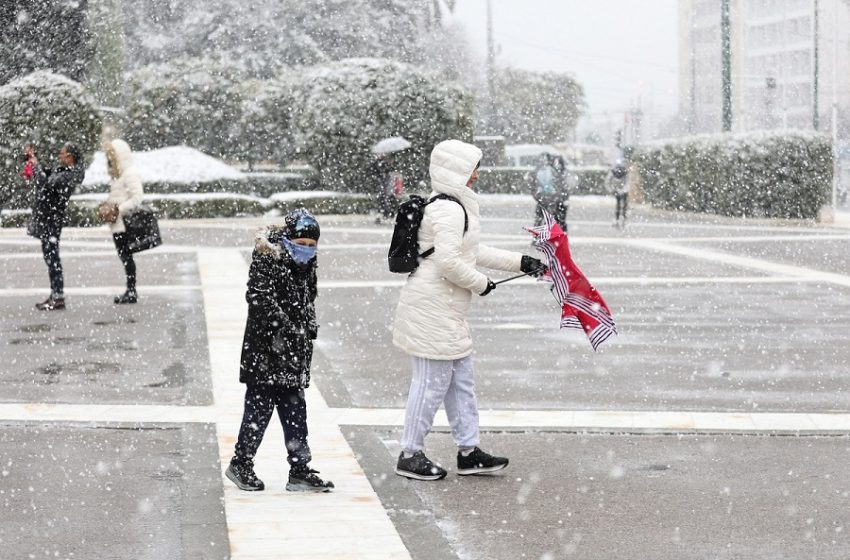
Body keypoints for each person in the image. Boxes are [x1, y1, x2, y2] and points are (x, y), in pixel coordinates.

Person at [392, 139, 546, 481]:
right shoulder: (448, 209)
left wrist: (520, 262)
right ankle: (410, 453)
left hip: (446, 308)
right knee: (430, 383)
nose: (476, 175)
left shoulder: (453, 205)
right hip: (431, 308)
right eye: (471, 168)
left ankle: (469, 451)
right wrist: (481, 283)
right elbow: (448, 262)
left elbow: (471, 251)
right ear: (456, 170)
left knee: (460, 381)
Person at [226, 208, 334, 493]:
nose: (306, 250)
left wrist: (308, 327)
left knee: (295, 409)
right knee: (258, 410)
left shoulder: (308, 266)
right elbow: (258, 298)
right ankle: (241, 463)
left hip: (294, 352)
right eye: (301, 244)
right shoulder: (267, 258)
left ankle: (299, 469)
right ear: (288, 239)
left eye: (312, 246)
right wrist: (286, 327)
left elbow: (309, 299)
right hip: (264, 349)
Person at [29, 143, 85, 311]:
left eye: (63, 154)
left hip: (52, 220)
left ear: (70, 157)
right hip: (50, 218)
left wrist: (37, 167)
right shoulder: (68, 172)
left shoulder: (70, 174)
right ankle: (55, 294)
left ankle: (58, 296)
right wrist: (38, 165)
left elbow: (45, 185)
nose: (60, 156)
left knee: (52, 257)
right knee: (50, 256)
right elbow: (49, 177)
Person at [98, 139, 144, 304]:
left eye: (112, 156)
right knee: (124, 256)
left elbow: (138, 197)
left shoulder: (130, 173)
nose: (109, 160)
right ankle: (130, 290)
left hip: (125, 223)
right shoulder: (118, 175)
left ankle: (131, 291)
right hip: (118, 224)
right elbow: (118, 196)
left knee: (127, 256)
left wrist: (119, 209)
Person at [369, 154, 403, 222]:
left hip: (386, 186)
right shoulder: (379, 164)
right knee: (383, 200)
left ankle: (386, 214)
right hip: (383, 186)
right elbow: (377, 173)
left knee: (386, 200)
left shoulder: (383, 164)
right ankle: (385, 214)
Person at [533, 153, 560, 227]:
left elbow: (534, 185)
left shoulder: (538, 171)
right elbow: (557, 183)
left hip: (543, 197)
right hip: (548, 197)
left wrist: (537, 195)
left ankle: (539, 234)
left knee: (540, 217)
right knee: (548, 217)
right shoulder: (552, 170)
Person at [609, 159, 629, 228]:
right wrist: (614, 190)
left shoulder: (624, 173)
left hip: (623, 192)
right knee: (619, 206)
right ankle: (618, 219)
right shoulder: (616, 173)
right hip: (618, 191)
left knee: (623, 206)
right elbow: (609, 182)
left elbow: (627, 183)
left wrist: (622, 190)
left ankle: (623, 219)